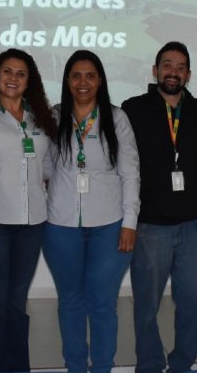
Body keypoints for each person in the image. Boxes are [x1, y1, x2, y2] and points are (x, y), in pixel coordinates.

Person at [42, 50, 140, 373]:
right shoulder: (54, 118)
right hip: (61, 225)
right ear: (67, 81)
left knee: (101, 303)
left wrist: (130, 222)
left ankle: (102, 367)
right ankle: (74, 367)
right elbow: (43, 167)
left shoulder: (117, 118)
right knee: (70, 302)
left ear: (100, 80)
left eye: (90, 76)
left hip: (110, 225)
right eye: (76, 76)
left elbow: (131, 173)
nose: (83, 82)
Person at [121, 41, 197, 373]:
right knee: (146, 306)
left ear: (188, 73)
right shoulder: (133, 109)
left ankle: (182, 364)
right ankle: (149, 364)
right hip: (149, 227)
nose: (173, 71)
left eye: (180, 66)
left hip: (191, 226)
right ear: (156, 70)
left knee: (194, 304)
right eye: (167, 64)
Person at [0, 49, 57, 373]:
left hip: (32, 224)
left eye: (21, 73)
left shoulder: (40, 119)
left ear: (29, 81)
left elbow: (47, 166)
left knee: (17, 306)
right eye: (7, 71)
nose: (13, 78)